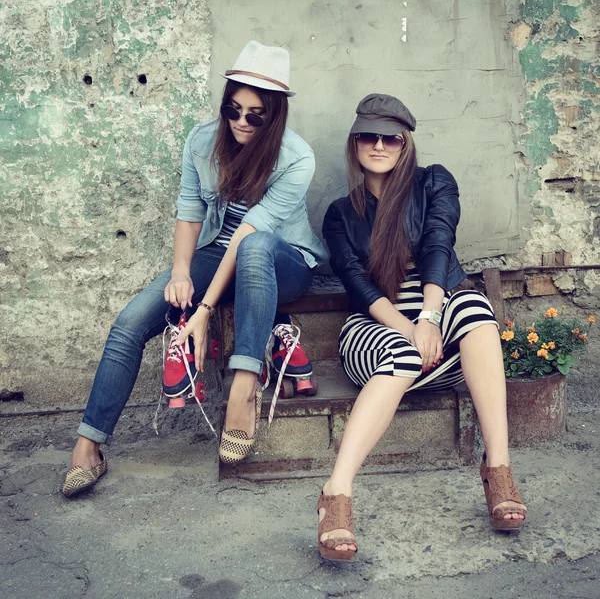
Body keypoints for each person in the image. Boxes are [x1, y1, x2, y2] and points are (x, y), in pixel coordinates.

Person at [61, 41, 326, 497]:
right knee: (131, 321)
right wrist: (181, 271)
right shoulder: (202, 140)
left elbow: (248, 235)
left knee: (257, 244)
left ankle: (245, 390)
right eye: (233, 109)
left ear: (275, 113)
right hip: (215, 256)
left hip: (282, 262)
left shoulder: (296, 157)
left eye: (255, 114)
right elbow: (189, 209)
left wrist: (203, 310)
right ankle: (88, 445)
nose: (241, 122)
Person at [318, 94, 526, 562]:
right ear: (355, 143)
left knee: (473, 307)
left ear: (404, 143)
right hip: (376, 325)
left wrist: (430, 317)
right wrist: (410, 329)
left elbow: (438, 243)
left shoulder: (434, 182)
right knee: (405, 354)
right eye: (368, 135)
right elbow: (358, 285)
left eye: (389, 137)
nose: (378, 144)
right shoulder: (340, 213)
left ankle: (498, 468)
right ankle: (336, 493)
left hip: (438, 314)